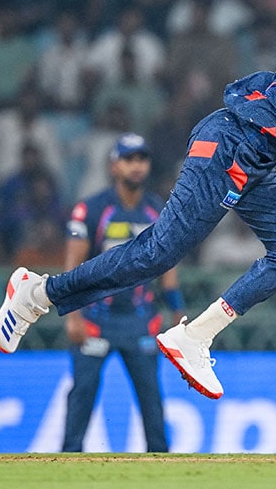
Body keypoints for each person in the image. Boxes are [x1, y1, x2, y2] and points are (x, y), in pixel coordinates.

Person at [0, 27, 276, 400]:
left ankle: (195, 336)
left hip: (251, 150)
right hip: (229, 148)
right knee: (158, 253)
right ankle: (38, 292)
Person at [61, 133, 183, 453]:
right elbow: (73, 268)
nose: (137, 166)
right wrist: (72, 317)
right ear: (114, 166)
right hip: (95, 318)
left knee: (151, 398)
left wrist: (177, 312)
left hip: (140, 320)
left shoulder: (158, 211)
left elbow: (167, 266)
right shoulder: (92, 209)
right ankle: (65, 462)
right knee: (83, 393)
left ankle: (162, 466)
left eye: (142, 159)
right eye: (129, 159)